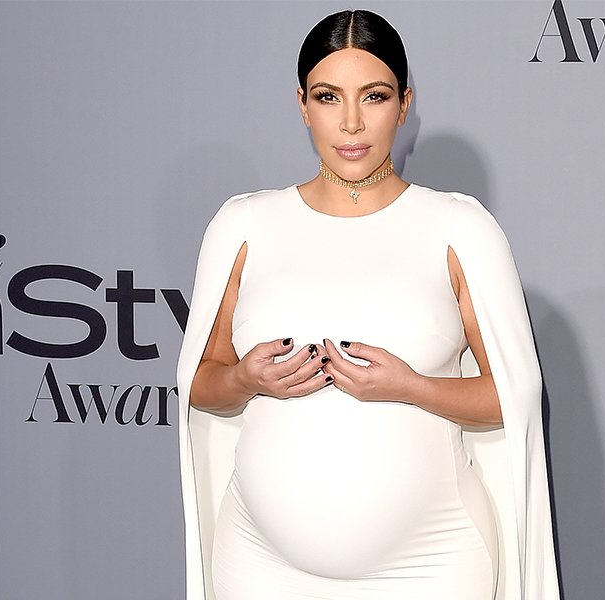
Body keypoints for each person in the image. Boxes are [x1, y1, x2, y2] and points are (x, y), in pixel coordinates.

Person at [177, 9, 559, 600]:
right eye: (329, 97)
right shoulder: (242, 224)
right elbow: (201, 383)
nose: (351, 122)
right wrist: (246, 378)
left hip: (431, 566)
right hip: (258, 564)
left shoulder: (459, 228)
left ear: (404, 105)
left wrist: (410, 387)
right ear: (302, 104)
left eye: (374, 96)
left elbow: (513, 397)